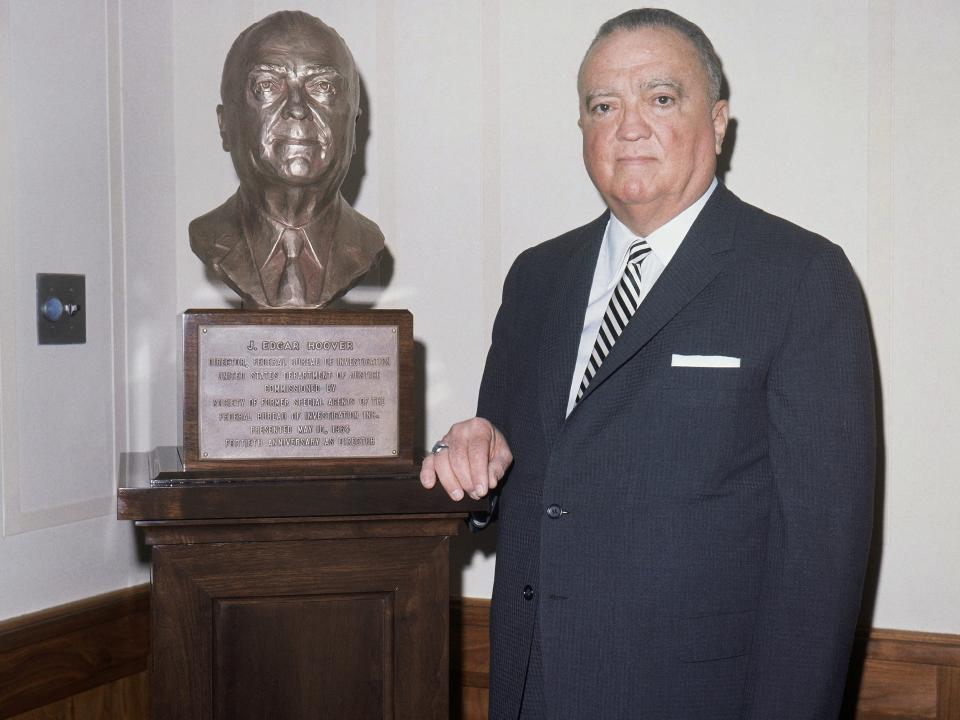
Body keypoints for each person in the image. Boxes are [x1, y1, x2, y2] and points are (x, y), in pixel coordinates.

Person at [420, 8, 875, 719]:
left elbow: (821, 560)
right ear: (584, 131)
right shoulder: (536, 278)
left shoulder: (800, 278)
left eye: (660, 98)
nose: (628, 126)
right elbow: (511, 475)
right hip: (532, 690)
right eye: (604, 105)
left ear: (718, 122)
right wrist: (466, 453)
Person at [190, 11, 383, 309]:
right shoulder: (209, 235)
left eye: (323, 87)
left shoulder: (364, 244)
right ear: (225, 124)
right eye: (267, 85)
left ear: (352, 127)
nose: (297, 108)